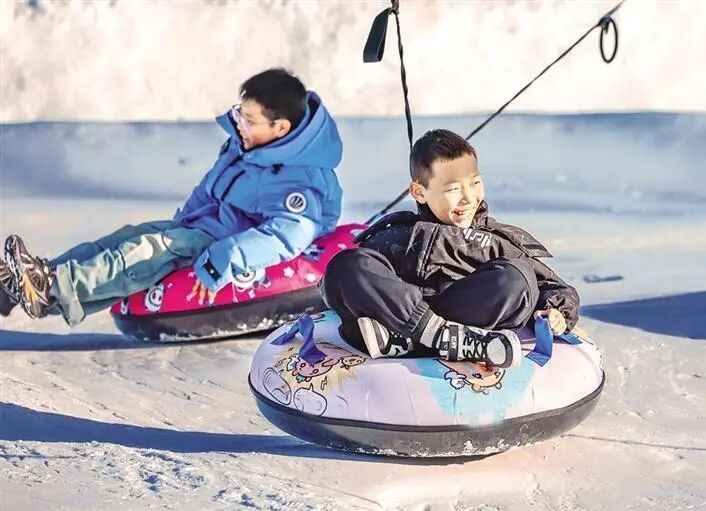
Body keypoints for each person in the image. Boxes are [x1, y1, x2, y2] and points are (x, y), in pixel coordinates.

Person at [0, 68, 343, 327]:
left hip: (221, 243)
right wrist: (184, 221)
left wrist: (223, 259)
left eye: (249, 119)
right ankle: (31, 279)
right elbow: (210, 187)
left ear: (280, 127)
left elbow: (286, 235)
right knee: (127, 237)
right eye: (239, 113)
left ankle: (53, 287)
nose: (239, 123)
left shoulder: (303, 179)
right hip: (202, 226)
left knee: (144, 252)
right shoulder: (249, 146)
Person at [321, 129, 579, 369]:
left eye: (475, 183)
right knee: (347, 264)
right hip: (404, 312)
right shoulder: (398, 235)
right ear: (419, 192)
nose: (468, 198)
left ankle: (416, 340)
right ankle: (439, 336)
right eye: (454, 189)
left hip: (440, 318)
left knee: (517, 277)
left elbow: (552, 286)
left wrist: (557, 311)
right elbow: (347, 282)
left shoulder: (494, 240)